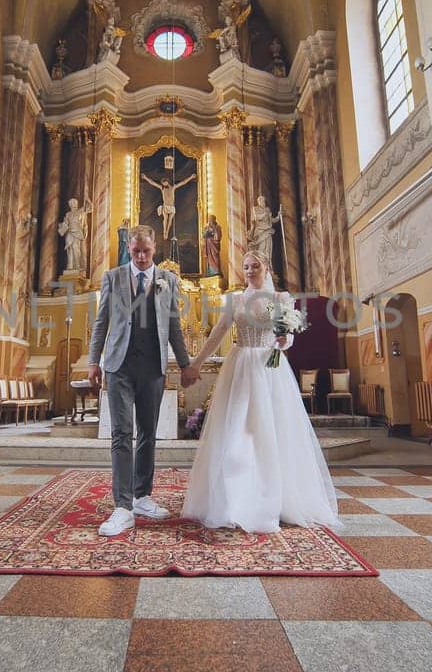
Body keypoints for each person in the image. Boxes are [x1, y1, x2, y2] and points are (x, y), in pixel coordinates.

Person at [181, 252, 340, 533]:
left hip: (269, 367)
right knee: (236, 431)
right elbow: (218, 333)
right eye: (245, 266)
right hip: (241, 366)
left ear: (267, 267)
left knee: (271, 430)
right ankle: (233, 501)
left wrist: (283, 340)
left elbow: (288, 336)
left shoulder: (281, 299)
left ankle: (274, 499)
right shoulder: (236, 300)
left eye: (256, 265)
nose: (250, 270)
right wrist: (195, 364)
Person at [88, 226, 196, 537]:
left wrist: (186, 364)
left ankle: (141, 496)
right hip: (119, 365)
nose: (140, 256)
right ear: (128, 247)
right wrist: (94, 361)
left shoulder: (168, 280)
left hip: (153, 367)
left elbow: (174, 326)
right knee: (122, 432)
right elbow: (102, 322)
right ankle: (122, 506)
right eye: (135, 250)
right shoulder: (113, 277)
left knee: (148, 432)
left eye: (146, 251)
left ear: (154, 248)